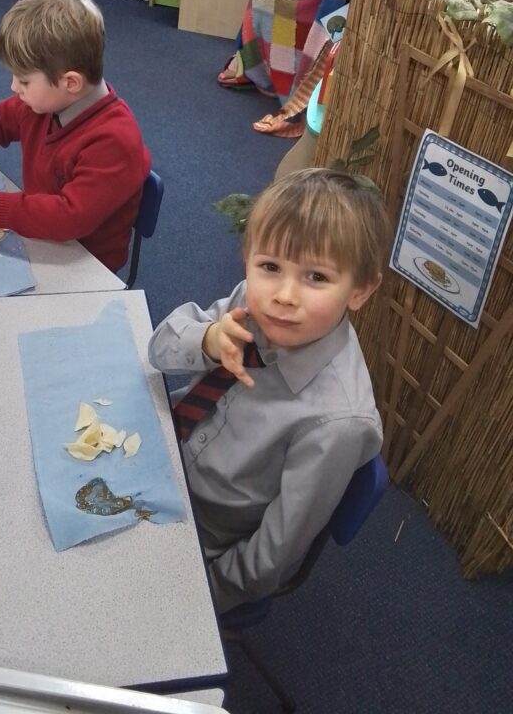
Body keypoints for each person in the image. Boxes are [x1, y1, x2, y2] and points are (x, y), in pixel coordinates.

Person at [148, 168, 390, 613]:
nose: (284, 295)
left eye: (316, 277)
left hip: (199, 532)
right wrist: (207, 339)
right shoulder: (250, 303)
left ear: (360, 290)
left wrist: (194, 605)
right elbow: (160, 348)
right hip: (158, 453)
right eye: (270, 267)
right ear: (248, 261)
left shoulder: (337, 422)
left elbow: (273, 558)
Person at [0, 0, 151, 272]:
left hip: (84, 264)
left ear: (71, 83)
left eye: (24, 81)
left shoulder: (115, 141)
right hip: (42, 238)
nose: (14, 87)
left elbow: (69, 218)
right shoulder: (44, 103)